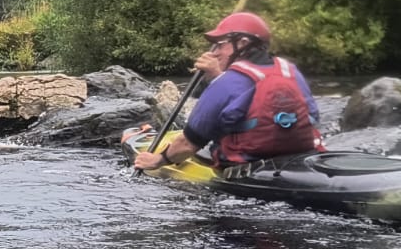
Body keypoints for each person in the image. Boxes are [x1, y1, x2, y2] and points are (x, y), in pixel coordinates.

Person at [133, 11, 321, 171]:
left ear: (243, 43)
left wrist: (158, 160)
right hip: (299, 157)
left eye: (221, 44)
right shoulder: (290, 71)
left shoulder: (227, 82)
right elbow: (312, 117)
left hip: (246, 166)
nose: (215, 52)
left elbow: (188, 144)